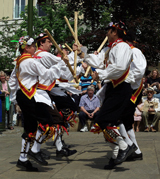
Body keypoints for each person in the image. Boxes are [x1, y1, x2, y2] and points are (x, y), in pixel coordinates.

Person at [78, 21, 136, 166]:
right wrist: (82, 52)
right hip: (113, 88)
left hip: (121, 88)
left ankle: (125, 146)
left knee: (103, 120)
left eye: (108, 30)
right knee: (111, 122)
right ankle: (117, 155)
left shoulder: (123, 47)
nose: (106, 33)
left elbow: (120, 67)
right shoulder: (108, 49)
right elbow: (97, 61)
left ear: (115, 31)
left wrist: (101, 74)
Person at [9, 35, 69, 171]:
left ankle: (22, 159)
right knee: (48, 122)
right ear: (27, 47)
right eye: (33, 46)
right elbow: (47, 75)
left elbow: (12, 81)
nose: (35, 48)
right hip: (29, 96)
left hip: (23, 95)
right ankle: (34, 150)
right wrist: (60, 62)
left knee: (30, 128)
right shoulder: (30, 62)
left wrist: (15, 96)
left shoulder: (19, 61)